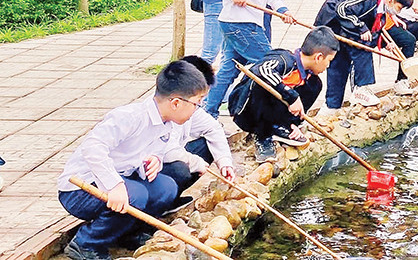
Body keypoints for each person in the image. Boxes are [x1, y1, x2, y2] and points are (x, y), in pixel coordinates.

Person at [57, 61, 209, 260]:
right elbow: (93, 148)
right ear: (176, 102)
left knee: (166, 187)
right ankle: (86, 244)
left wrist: (153, 161)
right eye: (197, 104)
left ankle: (126, 233)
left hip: (121, 180)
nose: (197, 110)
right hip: (80, 189)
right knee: (135, 195)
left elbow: (147, 154)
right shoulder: (129, 117)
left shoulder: (166, 124)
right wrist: (114, 185)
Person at [228, 27, 339, 162]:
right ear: (319, 57)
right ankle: (263, 136)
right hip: (246, 113)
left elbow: (297, 106)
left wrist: (293, 123)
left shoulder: (311, 80)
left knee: (314, 86)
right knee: (263, 84)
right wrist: (292, 96)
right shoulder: (283, 60)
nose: (328, 66)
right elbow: (261, 70)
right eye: (329, 61)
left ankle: (282, 127)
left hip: (273, 114)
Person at [314, 0, 414, 111]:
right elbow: (342, 8)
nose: (398, 12)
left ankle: (334, 105)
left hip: (346, 29)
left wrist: (385, 43)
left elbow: (374, 30)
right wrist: (360, 27)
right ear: (390, 0)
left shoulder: (381, 10)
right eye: (399, 7)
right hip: (332, 23)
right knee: (356, 52)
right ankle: (359, 90)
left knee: (342, 62)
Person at [161, 56, 235, 198]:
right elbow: (166, 151)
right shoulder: (162, 111)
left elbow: (213, 128)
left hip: (172, 155)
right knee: (180, 169)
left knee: (207, 145)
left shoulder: (190, 107)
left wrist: (224, 162)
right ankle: (163, 202)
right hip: (154, 166)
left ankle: (174, 197)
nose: (200, 104)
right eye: (199, 99)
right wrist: (196, 162)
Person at [354, 0, 417, 95]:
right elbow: (356, 5)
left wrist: (394, 15)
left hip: (382, 22)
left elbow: (389, 2)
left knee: (409, 40)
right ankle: (361, 88)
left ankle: (401, 81)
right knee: (364, 47)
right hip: (365, 24)